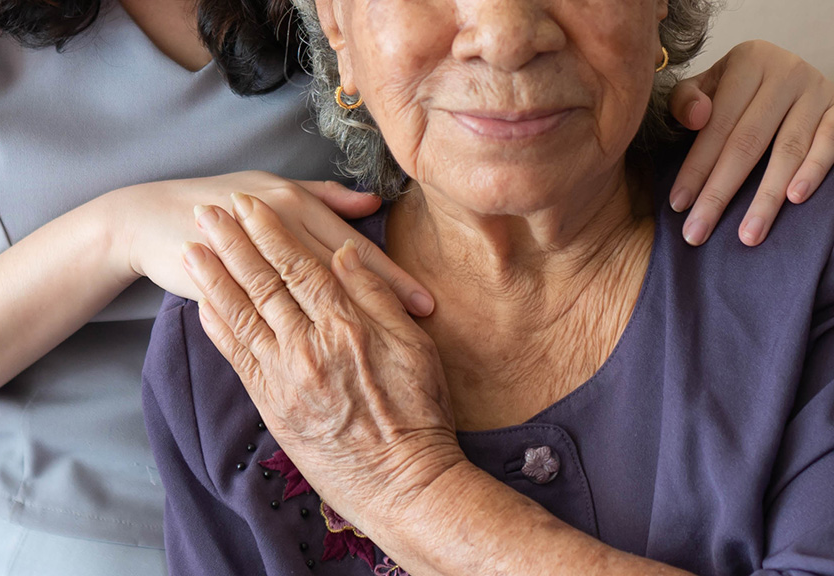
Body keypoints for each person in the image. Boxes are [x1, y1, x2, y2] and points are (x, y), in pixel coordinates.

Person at [0, 0, 830, 574]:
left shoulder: (787, 265)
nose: (501, 32)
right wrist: (114, 235)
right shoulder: (211, 349)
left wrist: (775, 81)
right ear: (339, 40)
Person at [142, 0, 834, 574]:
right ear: (339, 27)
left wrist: (409, 489)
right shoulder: (237, 338)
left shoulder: (808, 252)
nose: (504, 38)